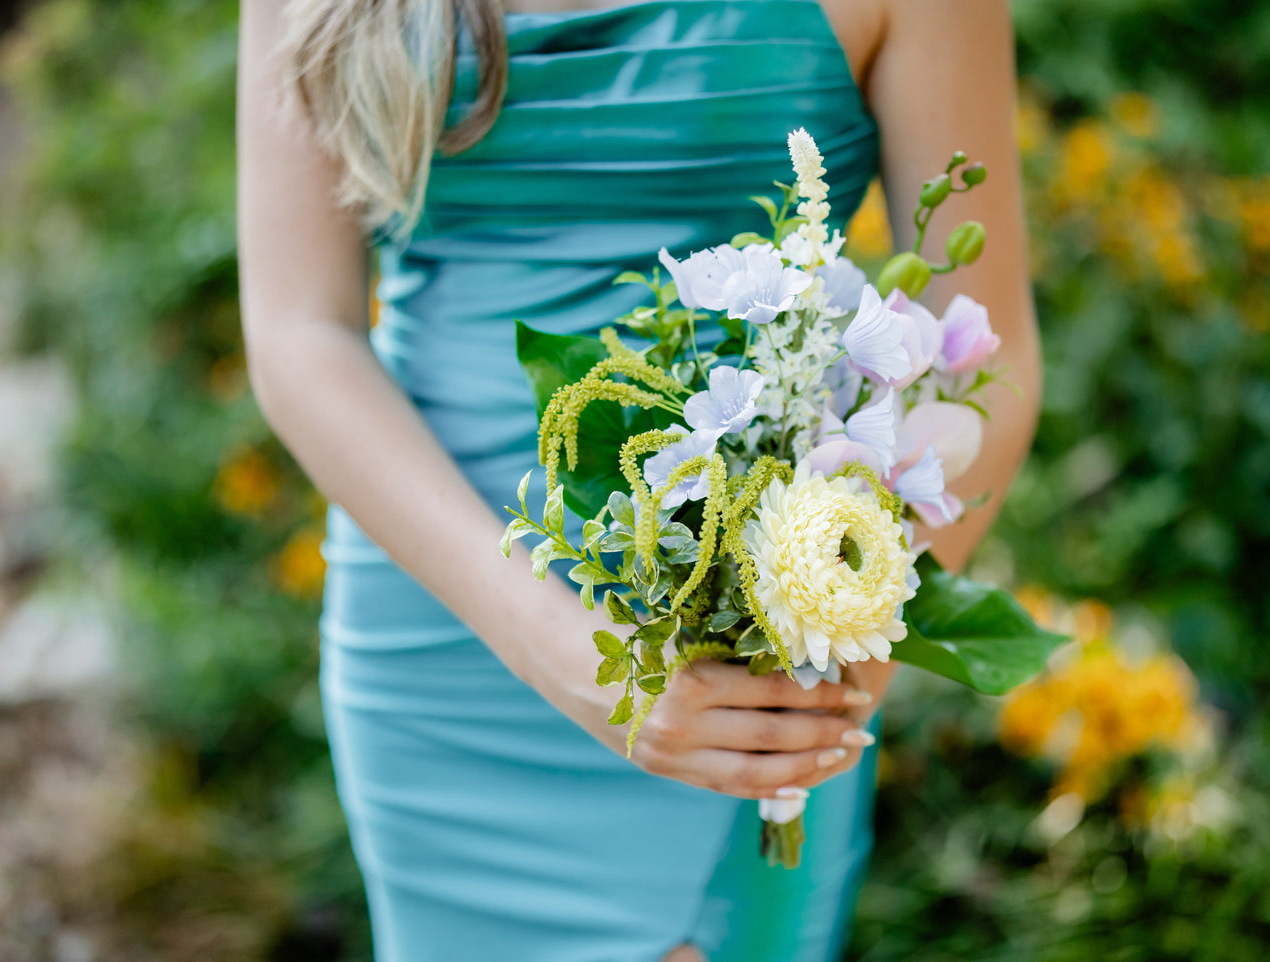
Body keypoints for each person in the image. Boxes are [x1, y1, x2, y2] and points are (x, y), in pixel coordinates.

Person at [236, 0, 1039, 958]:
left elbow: (984, 351)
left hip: (753, 652)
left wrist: (835, 622)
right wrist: (570, 653)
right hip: (444, 629)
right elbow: (299, 330)